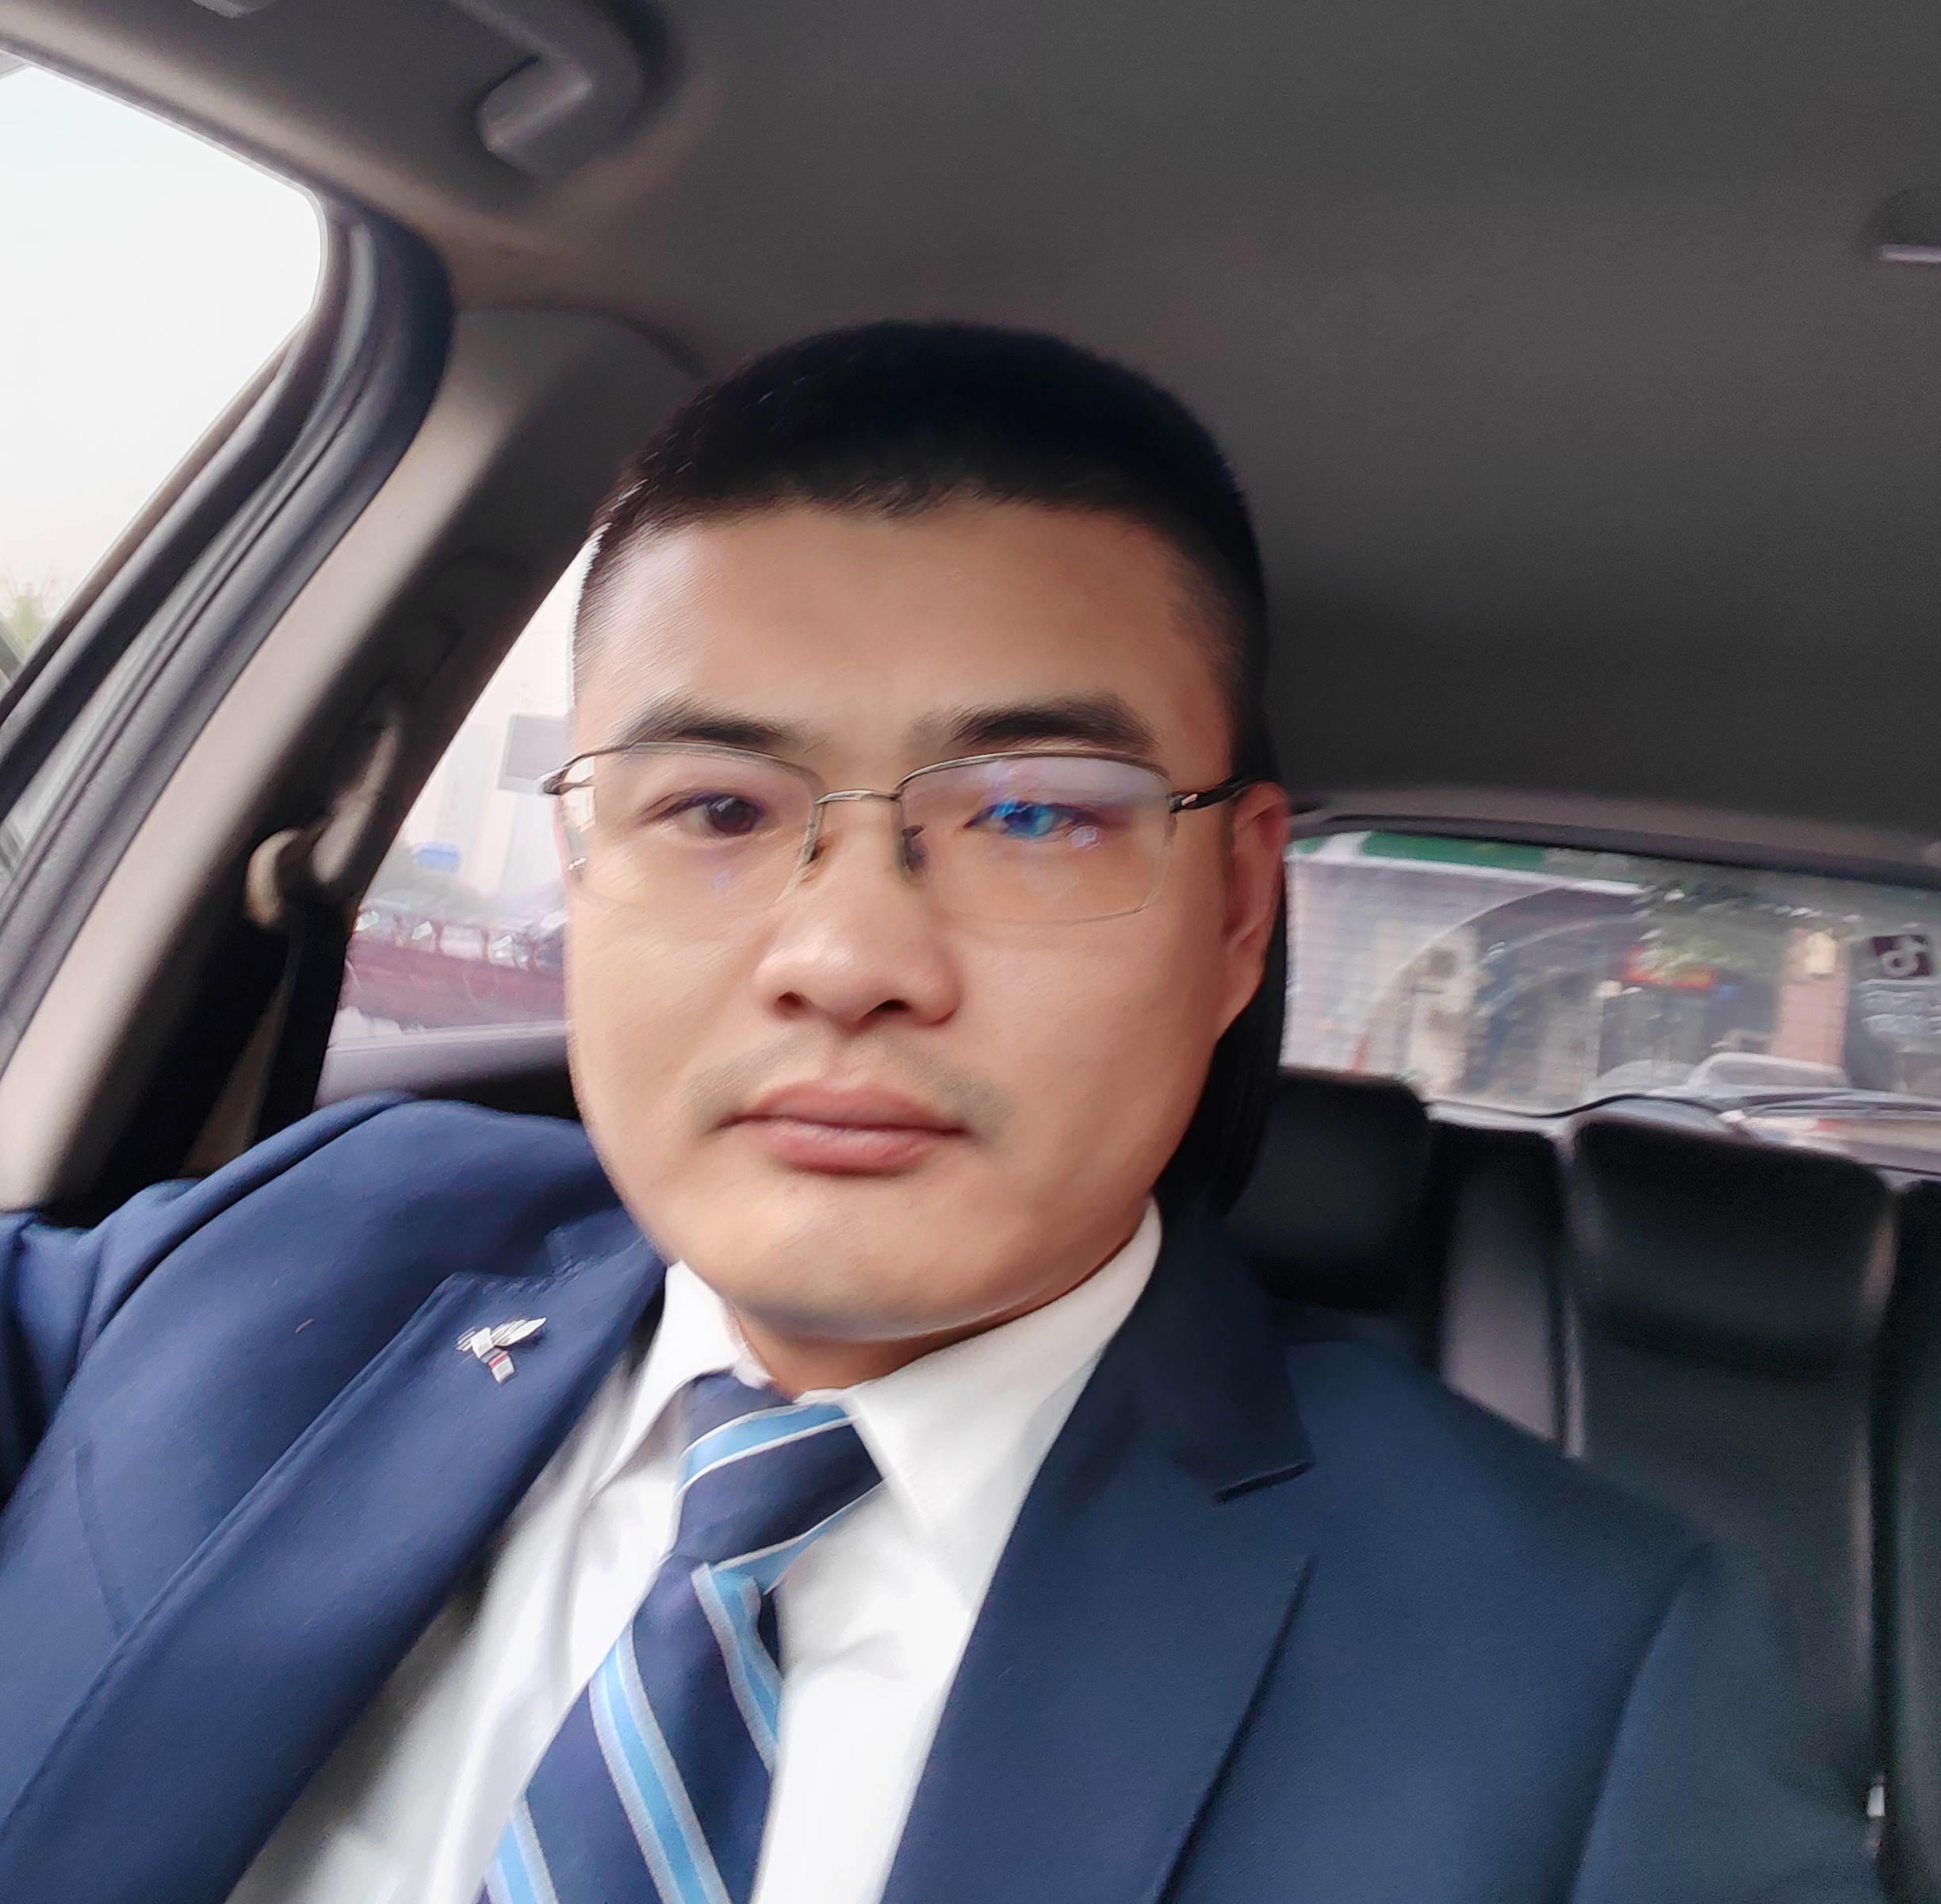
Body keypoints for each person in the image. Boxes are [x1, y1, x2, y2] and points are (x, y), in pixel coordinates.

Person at [0, 324, 1877, 1904]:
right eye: (715, 809)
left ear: (1239, 912)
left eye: (1036, 813)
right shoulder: (295, 1245)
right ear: (582, 865)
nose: (844, 958)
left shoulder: (1594, 1679)